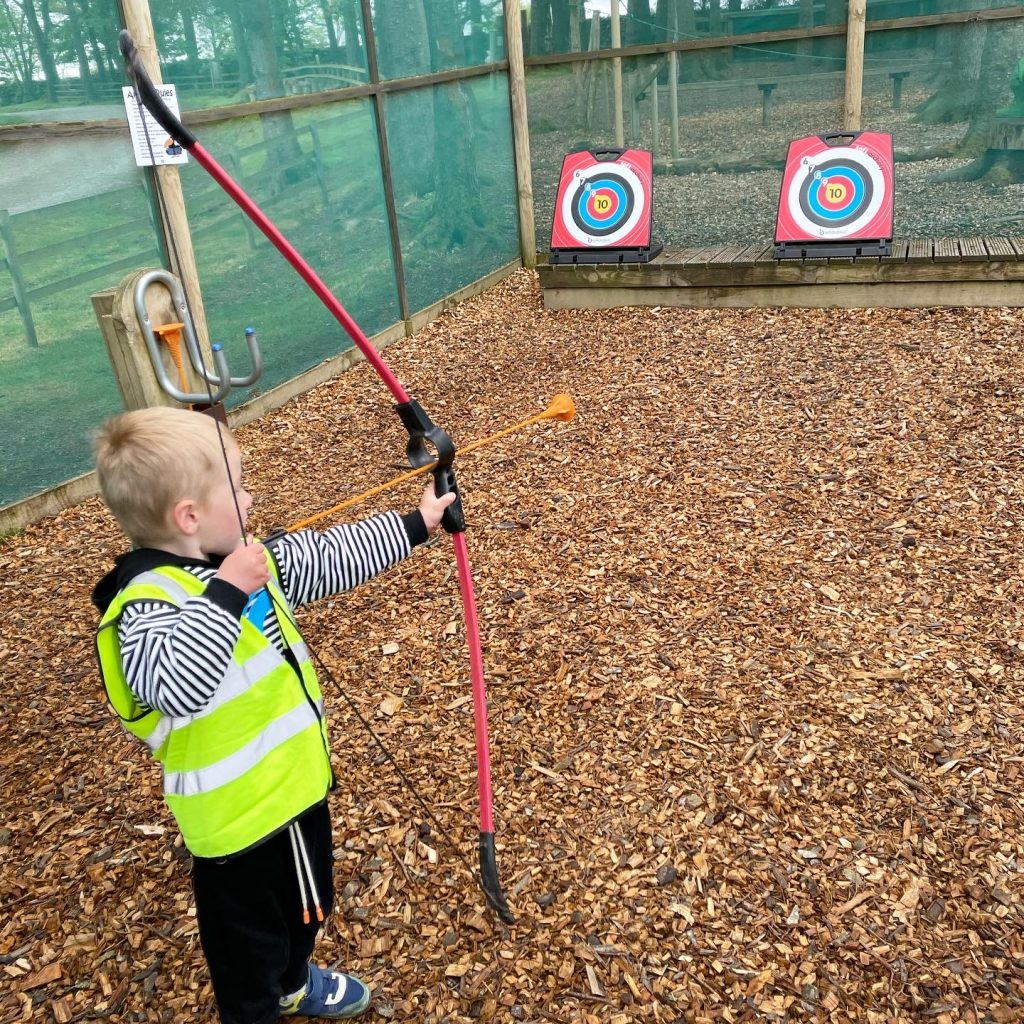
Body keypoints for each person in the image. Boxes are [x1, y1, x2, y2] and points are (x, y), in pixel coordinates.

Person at [91, 406, 455, 1023]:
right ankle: (259, 1006)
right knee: (246, 948)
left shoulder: (237, 560)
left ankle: (291, 981)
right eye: (235, 486)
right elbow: (177, 683)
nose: (250, 495)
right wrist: (229, 590)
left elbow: (329, 554)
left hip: (294, 793)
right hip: (236, 829)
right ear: (188, 516)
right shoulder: (146, 605)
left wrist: (418, 523)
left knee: (305, 908)